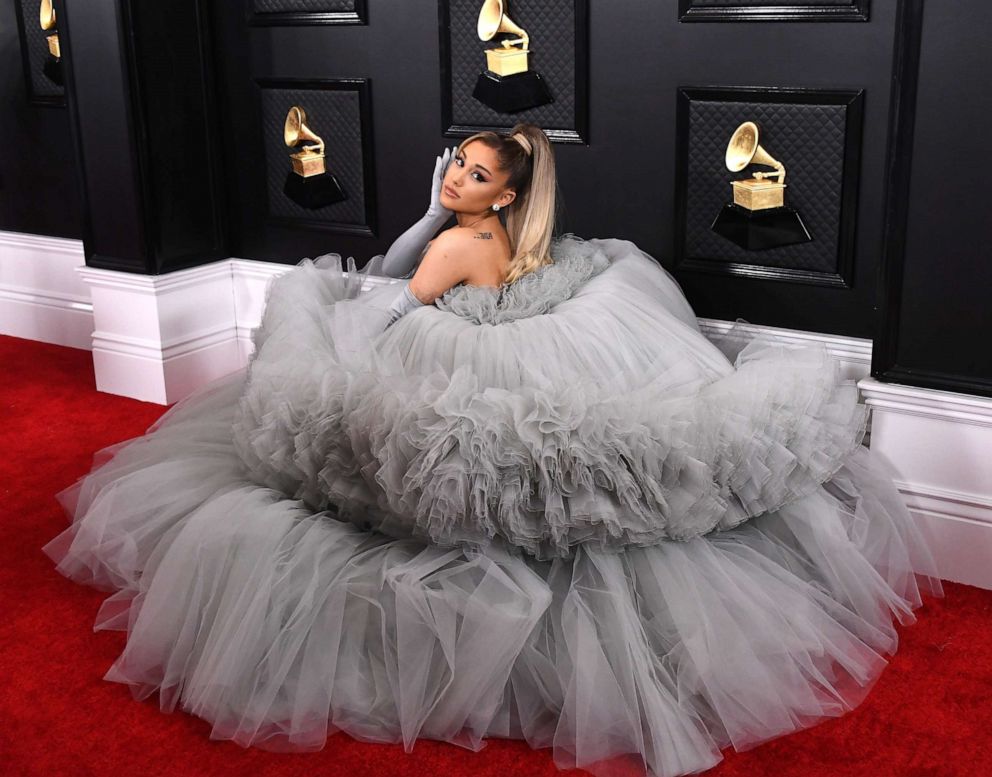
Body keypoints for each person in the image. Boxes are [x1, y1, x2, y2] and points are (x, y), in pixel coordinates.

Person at [43, 122, 944, 777]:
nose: (455, 180)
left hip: (444, 332)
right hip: (501, 316)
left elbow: (389, 289)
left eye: (471, 174)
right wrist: (441, 216)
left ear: (501, 196)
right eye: (456, 167)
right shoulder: (512, 236)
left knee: (358, 406)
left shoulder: (454, 246)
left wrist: (404, 252)